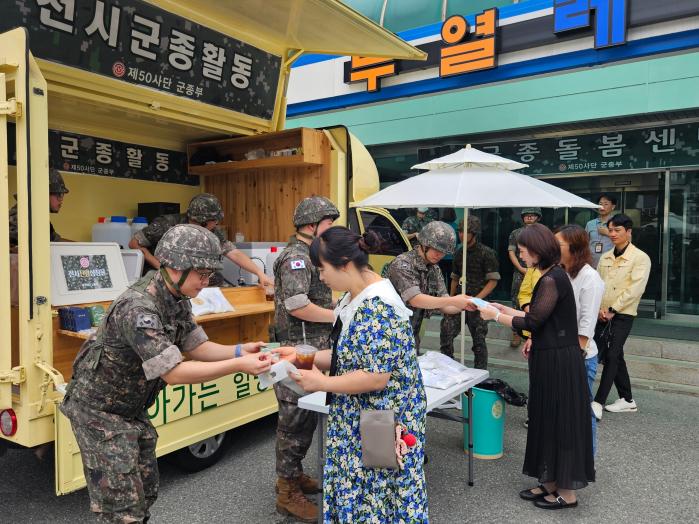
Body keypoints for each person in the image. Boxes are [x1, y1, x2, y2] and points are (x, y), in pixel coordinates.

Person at [60, 224, 287, 523]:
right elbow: (174, 373)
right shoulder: (138, 308)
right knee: (121, 508)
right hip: (99, 412)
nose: (206, 282)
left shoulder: (176, 298)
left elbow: (198, 345)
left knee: (146, 489)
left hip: (131, 408)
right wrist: (238, 366)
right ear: (174, 266)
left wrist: (240, 350)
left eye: (209, 275)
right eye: (201, 274)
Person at [291, 226, 428, 523]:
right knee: (362, 493)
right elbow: (349, 356)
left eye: (323, 268)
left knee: (377, 498)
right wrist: (299, 356)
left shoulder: (378, 306)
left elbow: (375, 376)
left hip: (380, 421)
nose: (321, 276)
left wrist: (322, 382)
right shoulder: (355, 296)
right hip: (363, 417)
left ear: (343, 263)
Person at [478, 223, 594, 510]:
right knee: (546, 418)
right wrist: (505, 310)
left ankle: (567, 493)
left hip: (559, 360)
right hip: (549, 356)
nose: (520, 255)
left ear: (536, 250)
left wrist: (494, 316)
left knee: (560, 422)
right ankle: (551, 481)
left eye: (522, 251)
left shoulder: (553, 278)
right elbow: (541, 316)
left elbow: (533, 322)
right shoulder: (550, 276)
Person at [272, 195, 339, 522]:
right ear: (311, 225)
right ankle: (286, 491)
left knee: (306, 419)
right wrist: (338, 316)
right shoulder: (295, 259)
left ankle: (294, 476)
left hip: (313, 349)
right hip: (297, 351)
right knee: (293, 423)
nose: (331, 229)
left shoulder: (311, 254)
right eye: (328, 224)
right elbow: (297, 305)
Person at [129, 193, 273, 288]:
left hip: (190, 275)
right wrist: (160, 266)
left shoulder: (212, 232)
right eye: (214, 221)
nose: (216, 224)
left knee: (216, 279)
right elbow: (134, 243)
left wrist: (260, 274)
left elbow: (233, 253)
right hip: (159, 276)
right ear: (204, 221)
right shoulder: (166, 224)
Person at [591, 214, 651, 419]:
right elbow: (598, 285)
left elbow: (635, 289)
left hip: (622, 315)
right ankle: (627, 399)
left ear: (629, 231)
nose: (613, 234)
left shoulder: (640, 258)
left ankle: (597, 402)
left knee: (612, 355)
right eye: (610, 230)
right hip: (602, 314)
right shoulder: (606, 257)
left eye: (617, 230)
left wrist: (612, 309)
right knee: (613, 355)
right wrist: (598, 308)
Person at [388, 221, 475, 353]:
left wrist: (468, 304)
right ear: (424, 244)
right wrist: (453, 300)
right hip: (389, 336)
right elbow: (416, 300)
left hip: (412, 337)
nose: (439, 255)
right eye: (436, 249)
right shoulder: (402, 263)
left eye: (443, 252)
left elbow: (445, 305)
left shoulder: (434, 269)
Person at [555, 225, 605, 455]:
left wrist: (574, 355)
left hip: (579, 356)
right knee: (560, 413)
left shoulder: (590, 277)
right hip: (559, 350)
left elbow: (586, 324)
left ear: (574, 248)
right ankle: (563, 465)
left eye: (559, 244)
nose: (554, 248)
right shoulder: (561, 272)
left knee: (581, 412)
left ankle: (585, 463)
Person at [439, 216, 500, 368]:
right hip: (459, 301)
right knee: (446, 334)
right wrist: (450, 300)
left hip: (478, 304)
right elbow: (454, 277)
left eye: (465, 232)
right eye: (460, 231)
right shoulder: (459, 253)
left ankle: (480, 377)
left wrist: (476, 300)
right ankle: (449, 367)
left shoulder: (487, 253)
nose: (461, 235)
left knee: (479, 342)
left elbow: (493, 280)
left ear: (474, 233)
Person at [9, 168, 72, 249]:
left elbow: (56, 241)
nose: (61, 200)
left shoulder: (38, 217)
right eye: (59, 195)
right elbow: (12, 249)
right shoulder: (20, 216)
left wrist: (84, 247)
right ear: (43, 194)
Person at [507, 208, 542, 347]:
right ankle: (515, 332)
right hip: (520, 272)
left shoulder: (542, 233)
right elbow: (511, 252)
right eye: (526, 216)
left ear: (538, 218)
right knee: (517, 300)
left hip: (538, 271)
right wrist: (521, 268)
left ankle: (533, 332)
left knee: (537, 301)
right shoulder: (516, 233)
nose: (529, 218)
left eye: (532, 216)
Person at [585, 194, 617, 268]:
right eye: (600, 204)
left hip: (610, 265)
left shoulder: (617, 223)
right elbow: (585, 243)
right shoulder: (590, 224)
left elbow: (626, 241)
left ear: (613, 207)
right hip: (592, 264)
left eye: (606, 204)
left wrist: (608, 233)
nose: (602, 207)